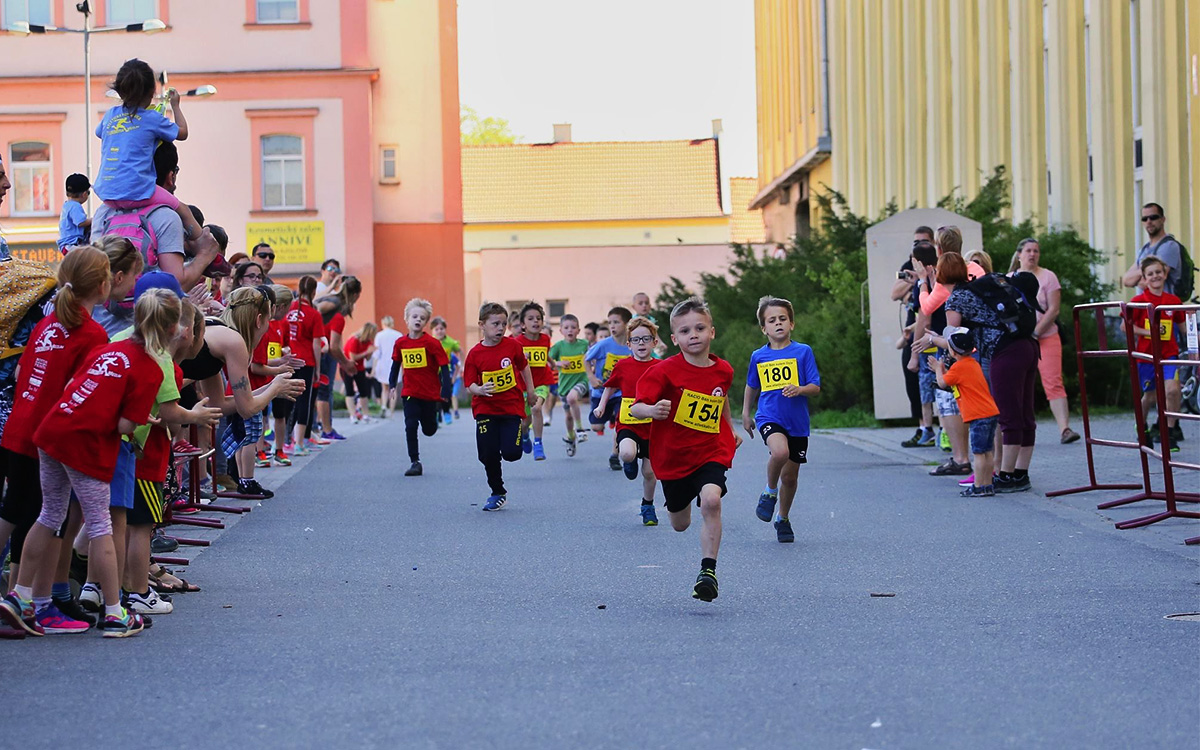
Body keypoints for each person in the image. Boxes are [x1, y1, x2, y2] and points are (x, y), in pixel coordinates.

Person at [1, 289, 180, 638]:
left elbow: (74, 385)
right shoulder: (151, 367)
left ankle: (19, 595)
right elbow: (126, 426)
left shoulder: (107, 347)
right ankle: (115, 613)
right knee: (102, 525)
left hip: (52, 430)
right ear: (172, 329)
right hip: (84, 444)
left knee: (50, 514)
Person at [0, 247, 113, 635]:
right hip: (48, 437)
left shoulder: (49, 323)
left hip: (21, 425)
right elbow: (85, 393)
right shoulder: (91, 332)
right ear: (103, 284)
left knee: (21, 513)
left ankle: (23, 599)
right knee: (47, 518)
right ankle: (33, 602)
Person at [631, 297, 740, 602]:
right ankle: (682, 502)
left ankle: (708, 571)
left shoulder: (723, 370)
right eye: (685, 331)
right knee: (680, 524)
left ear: (712, 332)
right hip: (674, 457)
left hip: (710, 450)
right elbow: (636, 408)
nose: (693, 335)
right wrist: (652, 411)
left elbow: (721, 398)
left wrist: (729, 430)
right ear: (673, 338)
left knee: (712, 500)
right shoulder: (663, 372)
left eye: (700, 328)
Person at [94, 59, 205, 245]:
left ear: (119, 91)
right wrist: (175, 105)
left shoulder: (110, 116)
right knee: (184, 211)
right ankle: (204, 247)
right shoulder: (152, 118)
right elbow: (182, 133)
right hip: (138, 191)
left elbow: (99, 133)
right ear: (152, 92)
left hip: (108, 194)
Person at [90, 140, 221, 291]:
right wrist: (205, 255)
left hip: (102, 312)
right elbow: (175, 284)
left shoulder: (105, 210)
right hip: (148, 313)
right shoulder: (166, 217)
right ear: (171, 176)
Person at [742, 296, 821, 544]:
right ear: (764, 328)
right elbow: (751, 386)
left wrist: (800, 389)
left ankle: (783, 518)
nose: (778, 324)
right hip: (769, 415)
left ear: (792, 324)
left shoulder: (803, 351)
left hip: (796, 421)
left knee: (790, 477)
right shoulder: (758, 356)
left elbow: (815, 386)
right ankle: (769, 491)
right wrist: (746, 413)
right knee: (779, 452)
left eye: (783, 319)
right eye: (772, 320)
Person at [464, 302, 535, 511]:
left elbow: (524, 367)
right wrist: (480, 389)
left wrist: (530, 392)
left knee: (512, 454)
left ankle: (523, 434)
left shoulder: (512, 346)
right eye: (495, 324)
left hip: (511, 407)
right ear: (482, 325)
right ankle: (497, 491)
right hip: (485, 408)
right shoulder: (475, 354)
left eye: (503, 324)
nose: (500, 328)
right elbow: (470, 385)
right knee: (487, 454)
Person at [1008, 238, 1080, 444]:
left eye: (1036, 251)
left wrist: (1036, 332)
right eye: (1028, 251)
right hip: (1019, 340)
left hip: (1046, 337)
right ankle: (1016, 428)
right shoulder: (1009, 278)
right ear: (1019, 254)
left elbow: (1053, 309)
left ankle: (1065, 429)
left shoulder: (1048, 277)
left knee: (1053, 382)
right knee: (1016, 384)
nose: (1032, 254)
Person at [593, 317, 662, 526]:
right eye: (636, 340)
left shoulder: (661, 366)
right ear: (629, 344)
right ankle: (629, 461)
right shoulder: (623, 366)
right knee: (626, 452)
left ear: (654, 342)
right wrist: (602, 405)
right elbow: (610, 387)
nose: (641, 343)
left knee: (650, 473)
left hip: (653, 427)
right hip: (629, 423)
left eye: (646, 339)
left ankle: (647, 506)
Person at [932, 327, 999, 497]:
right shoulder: (972, 364)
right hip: (990, 412)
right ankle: (987, 484)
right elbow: (955, 379)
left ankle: (978, 486)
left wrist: (938, 368)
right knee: (987, 451)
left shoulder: (959, 368)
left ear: (953, 352)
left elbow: (942, 383)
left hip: (978, 416)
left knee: (978, 453)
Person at [1129, 255, 1187, 453]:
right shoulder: (1139, 301)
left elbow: (1184, 328)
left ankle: (1168, 433)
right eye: (1150, 274)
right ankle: (1142, 425)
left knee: (1172, 390)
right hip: (1146, 356)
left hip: (1169, 354)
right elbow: (1125, 327)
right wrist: (1148, 332)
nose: (1155, 277)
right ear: (1144, 278)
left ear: (1165, 274)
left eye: (1158, 273)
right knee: (1150, 396)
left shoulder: (1173, 301)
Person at [389, 298, 450, 477]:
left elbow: (444, 367)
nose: (418, 320)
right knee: (410, 424)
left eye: (422, 318)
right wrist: (392, 384)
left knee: (429, 430)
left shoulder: (431, 343)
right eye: (414, 316)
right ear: (407, 319)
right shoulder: (401, 343)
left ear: (425, 322)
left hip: (429, 393)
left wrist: (445, 389)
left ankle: (434, 416)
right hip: (410, 392)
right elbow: (395, 364)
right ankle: (415, 461)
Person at [251, 285, 301, 467]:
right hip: (264, 375)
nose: (288, 312)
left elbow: (285, 345)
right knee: (260, 414)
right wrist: (279, 362)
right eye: (288, 308)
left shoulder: (284, 323)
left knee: (281, 413)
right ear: (280, 306)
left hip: (277, 373)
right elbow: (257, 362)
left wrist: (286, 355)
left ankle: (279, 449)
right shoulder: (261, 325)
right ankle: (260, 451)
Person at [893, 226, 935, 437]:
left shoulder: (936, 268)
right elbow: (894, 292)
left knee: (935, 384)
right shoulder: (909, 267)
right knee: (916, 383)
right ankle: (923, 427)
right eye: (916, 242)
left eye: (923, 242)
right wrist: (914, 282)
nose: (919, 246)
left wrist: (922, 279)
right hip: (914, 329)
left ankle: (941, 428)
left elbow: (928, 309)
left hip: (931, 331)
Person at [901, 239, 940, 448]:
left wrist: (914, 353)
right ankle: (943, 432)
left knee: (927, 390)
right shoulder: (942, 277)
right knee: (943, 390)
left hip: (929, 344)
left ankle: (928, 429)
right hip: (945, 342)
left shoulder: (922, 285)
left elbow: (924, 317)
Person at [315, 277, 362, 441]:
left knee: (319, 391)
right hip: (324, 353)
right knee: (324, 392)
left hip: (320, 350)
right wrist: (347, 363)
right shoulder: (337, 315)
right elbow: (334, 347)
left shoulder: (331, 308)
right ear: (355, 295)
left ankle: (318, 429)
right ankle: (326, 429)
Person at [585, 306, 632, 470]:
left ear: (626, 324)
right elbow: (587, 359)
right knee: (596, 426)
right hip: (601, 391)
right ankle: (609, 416)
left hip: (622, 392)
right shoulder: (604, 344)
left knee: (621, 422)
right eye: (610, 322)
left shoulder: (631, 345)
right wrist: (591, 377)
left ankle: (615, 455)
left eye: (616, 322)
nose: (612, 326)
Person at [286, 276, 325, 454]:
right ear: (314, 292)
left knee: (286, 401)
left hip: (287, 360)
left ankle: (284, 441)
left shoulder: (288, 309)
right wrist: (318, 368)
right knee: (304, 402)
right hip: (306, 361)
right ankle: (299, 443)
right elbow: (317, 344)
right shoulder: (314, 314)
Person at [517, 302, 554, 461]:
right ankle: (525, 435)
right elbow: (509, 364)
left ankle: (538, 443)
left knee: (536, 409)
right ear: (523, 324)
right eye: (531, 318)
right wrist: (521, 359)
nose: (535, 322)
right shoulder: (517, 342)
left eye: (538, 318)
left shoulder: (545, 338)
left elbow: (544, 354)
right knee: (525, 422)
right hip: (523, 386)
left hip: (541, 383)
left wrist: (553, 363)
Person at [549, 314, 590, 454]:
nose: (570, 330)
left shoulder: (584, 344)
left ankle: (579, 429)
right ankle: (571, 437)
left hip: (581, 381)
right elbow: (547, 362)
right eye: (566, 327)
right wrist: (559, 363)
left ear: (578, 330)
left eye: (573, 327)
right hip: (564, 386)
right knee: (568, 416)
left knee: (572, 398)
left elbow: (592, 356)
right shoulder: (558, 347)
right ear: (561, 330)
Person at [1123, 203, 1185, 296]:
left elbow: (1152, 283)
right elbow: (1126, 280)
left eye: (1153, 217)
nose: (1149, 221)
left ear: (1162, 219)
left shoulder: (1169, 246)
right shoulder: (1144, 249)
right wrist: (1145, 272)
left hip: (1166, 307)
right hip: (1148, 307)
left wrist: (1140, 275)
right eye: (1145, 219)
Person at [343, 322, 378, 423]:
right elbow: (352, 357)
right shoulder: (355, 340)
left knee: (364, 391)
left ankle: (366, 415)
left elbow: (367, 358)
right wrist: (367, 352)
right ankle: (353, 415)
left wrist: (370, 352)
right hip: (347, 367)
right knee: (349, 391)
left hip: (360, 368)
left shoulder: (368, 342)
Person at [430, 316, 461, 425]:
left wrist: (460, 362)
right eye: (436, 329)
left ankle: (447, 411)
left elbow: (458, 350)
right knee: (434, 394)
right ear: (432, 331)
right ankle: (436, 413)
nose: (439, 331)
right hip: (433, 372)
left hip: (445, 370)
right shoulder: (430, 342)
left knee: (446, 393)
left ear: (445, 330)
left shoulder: (450, 342)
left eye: (441, 329)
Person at [372, 316, 403, 419]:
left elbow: (377, 353)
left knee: (384, 388)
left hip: (382, 364)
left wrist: (374, 367)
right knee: (393, 388)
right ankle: (391, 411)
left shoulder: (379, 336)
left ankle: (384, 405)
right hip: (395, 363)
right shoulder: (398, 335)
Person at [57, 173, 92, 252]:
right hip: (72, 244)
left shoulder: (67, 205)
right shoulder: (75, 206)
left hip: (66, 245)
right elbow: (80, 222)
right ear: (84, 194)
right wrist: (93, 220)